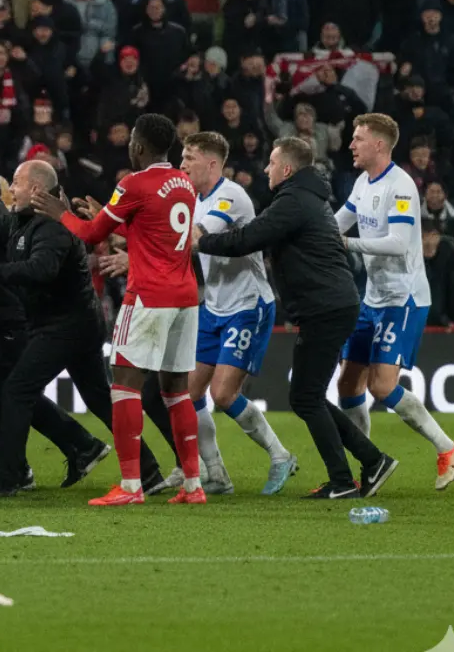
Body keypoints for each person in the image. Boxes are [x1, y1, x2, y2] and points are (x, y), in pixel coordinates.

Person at [197, 137, 399, 499]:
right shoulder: (305, 198)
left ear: (287, 169)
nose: (266, 169)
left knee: (306, 397)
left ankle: (349, 476)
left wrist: (202, 242)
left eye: (272, 163)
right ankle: (368, 463)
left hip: (327, 308)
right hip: (327, 306)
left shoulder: (293, 201)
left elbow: (247, 239)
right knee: (308, 396)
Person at [32, 113, 204, 507]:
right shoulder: (184, 184)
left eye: (132, 142)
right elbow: (154, 230)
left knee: (124, 385)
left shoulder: (134, 183)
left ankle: (130, 487)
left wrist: (62, 214)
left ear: (139, 147)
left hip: (148, 296)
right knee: (176, 391)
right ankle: (193, 484)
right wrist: (107, 219)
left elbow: (92, 236)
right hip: (185, 297)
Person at [0, 159, 126, 497]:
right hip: (66, 322)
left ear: (35, 189)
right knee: (98, 398)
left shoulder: (53, 226)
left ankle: (7, 478)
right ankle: (146, 470)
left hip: (65, 325)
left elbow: (41, 269)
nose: (10, 189)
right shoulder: (24, 219)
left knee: (16, 390)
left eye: (15, 182)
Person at [333, 114, 454, 490]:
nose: (351, 145)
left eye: (358, 138)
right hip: (372, 297)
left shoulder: (401, 185)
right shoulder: (361, 183)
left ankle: (447, 447)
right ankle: (368, 465)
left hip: (403, 297)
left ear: (379, 144)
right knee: (347, 384)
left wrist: (346, 244)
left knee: (382, 387)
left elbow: (396, 243)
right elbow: (335, 223)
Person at [181, 131, 297, 495]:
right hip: (214, 306)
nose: (182, 165)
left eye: (189, 158)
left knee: (224, 394)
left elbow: (196, 236)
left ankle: (280, 456)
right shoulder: (194, 198)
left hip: (248, 306)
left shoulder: (230, 196)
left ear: (211, 163)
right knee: (189, 392)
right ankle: (215, 473)